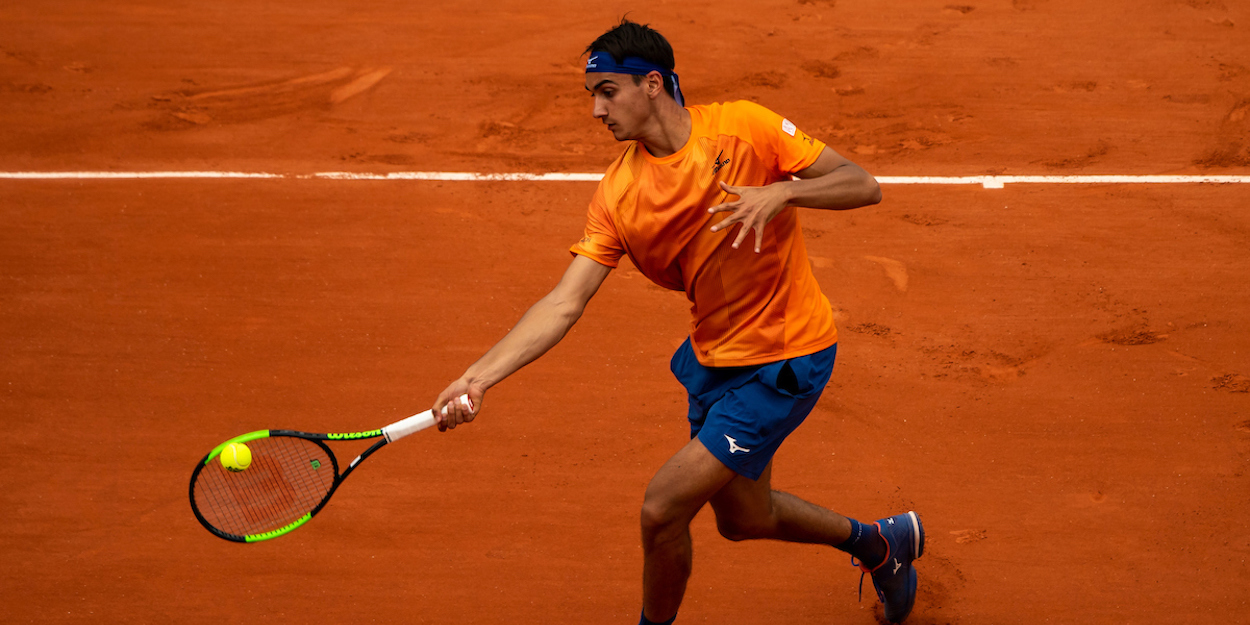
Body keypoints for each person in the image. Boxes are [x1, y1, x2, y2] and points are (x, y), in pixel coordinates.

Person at [432, 18, 923, 625]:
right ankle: (881, 545)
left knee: (662, 509)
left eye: (607, 91)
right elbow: (565, 301)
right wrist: (478, 376)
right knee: (745, 519)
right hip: (717, 359)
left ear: (653, 84)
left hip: (786, 356)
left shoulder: (745, 126)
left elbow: (863, 184)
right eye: (593, 95)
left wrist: (783, 194)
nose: (596, 111)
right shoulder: (619, 195)